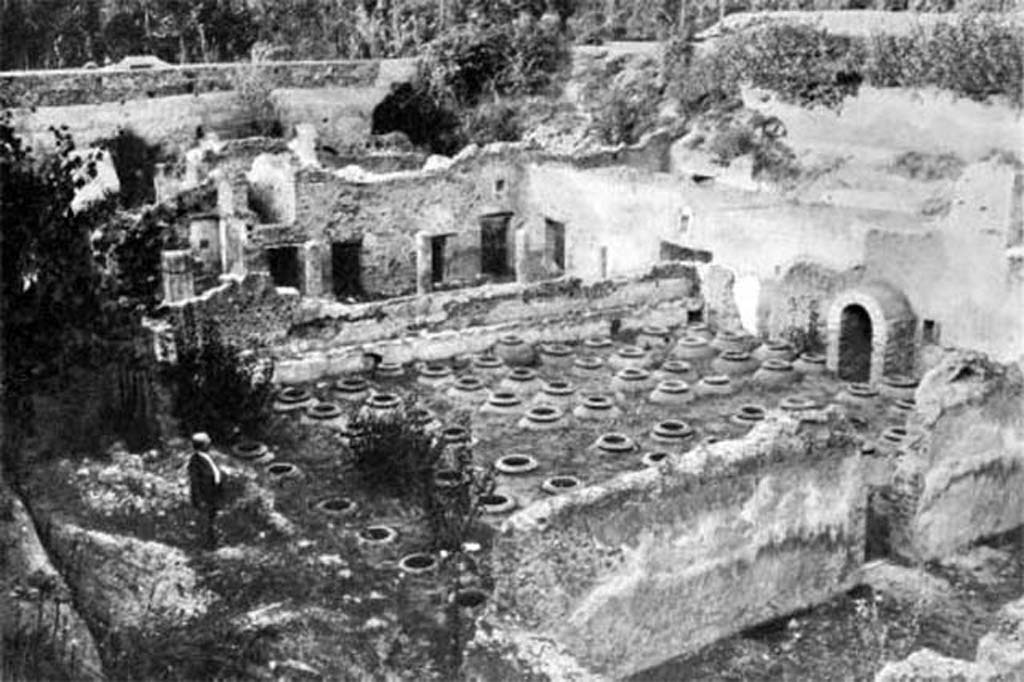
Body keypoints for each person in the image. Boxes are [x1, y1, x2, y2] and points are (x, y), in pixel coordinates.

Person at [188, 432, 224, 549]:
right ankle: (208, 546)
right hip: (205, 498)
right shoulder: (195, 461)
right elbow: (195, 483)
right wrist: (200, 500)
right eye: (208, 441)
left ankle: (214, 541)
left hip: (213, 495)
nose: (210, 442)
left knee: (213, 520)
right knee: (207, 523)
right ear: (203, 445)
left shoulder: (207, 457)